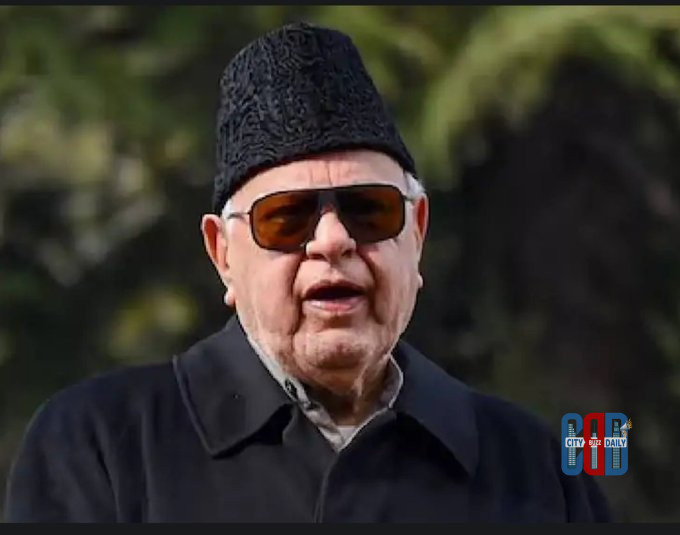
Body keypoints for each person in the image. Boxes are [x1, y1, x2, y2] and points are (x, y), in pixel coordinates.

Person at [4, 21, 611, 523]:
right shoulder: (101, 446)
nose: (333, 240)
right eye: (286, 218)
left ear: (417, 233)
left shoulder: (542, 469)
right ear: (223, 253)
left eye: (369, 210)